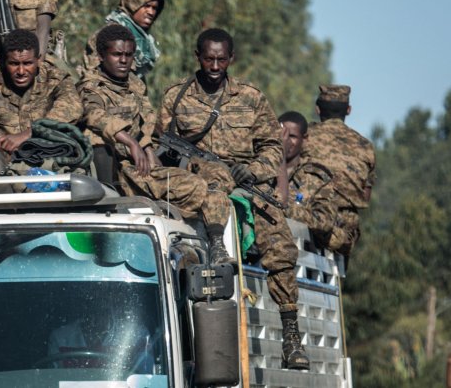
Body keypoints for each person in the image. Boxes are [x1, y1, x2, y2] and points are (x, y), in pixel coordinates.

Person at [157, 28, 309, 370]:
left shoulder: (252, 98)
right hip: (198, 187)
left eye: (221, 59)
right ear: (197, 56)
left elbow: (273, 148)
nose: (214, 66)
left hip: (245, 185)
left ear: (231, 58)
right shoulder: (176, 97)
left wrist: (252, 171)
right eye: (208, 58)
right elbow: (161, 147)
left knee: (280, 243)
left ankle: (290, 337)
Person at [77, 24, 234, 266]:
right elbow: (95, 115)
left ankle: (216, 241)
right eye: (117, 55)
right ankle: (209, 236)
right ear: (100, 56)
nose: (124, 61)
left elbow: (148, 117)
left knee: (218, 175)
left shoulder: (134, 84)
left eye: (128, 55)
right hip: (119, 166)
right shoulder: (91, 85)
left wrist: (147, 145)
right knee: (196, 188)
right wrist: (131, 142)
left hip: (142, 161)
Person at [0, 28, 82, 176]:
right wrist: (0, 139)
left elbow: (73, 107)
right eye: (14, 63)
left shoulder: (55, 78)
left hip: (46, 153)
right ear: (3, 61)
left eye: (28, 63)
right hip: (0, 157)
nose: (21, 71)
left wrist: (30, 133)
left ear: (39, 59)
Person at [304, 85, 376, 257]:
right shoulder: (365, 146)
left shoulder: (303, 135)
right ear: (348, 110)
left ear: (317, 109)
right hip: (344, 227)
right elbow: (365, 196)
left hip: (308, 219)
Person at [278, 111, 344, 251]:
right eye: (282, 135)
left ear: (305, 139)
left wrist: (284, 208)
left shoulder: (318, 178)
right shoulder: (262, 168)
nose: (286, 141)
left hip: (302, 253)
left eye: (292, 136)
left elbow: (324, 222)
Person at [83, 0, 164, 78]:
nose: (151, 12)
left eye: (155, 8)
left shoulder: (143, 41)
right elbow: (89, 75)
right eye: (146, 6)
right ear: (133, 3)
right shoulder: (110, 35)